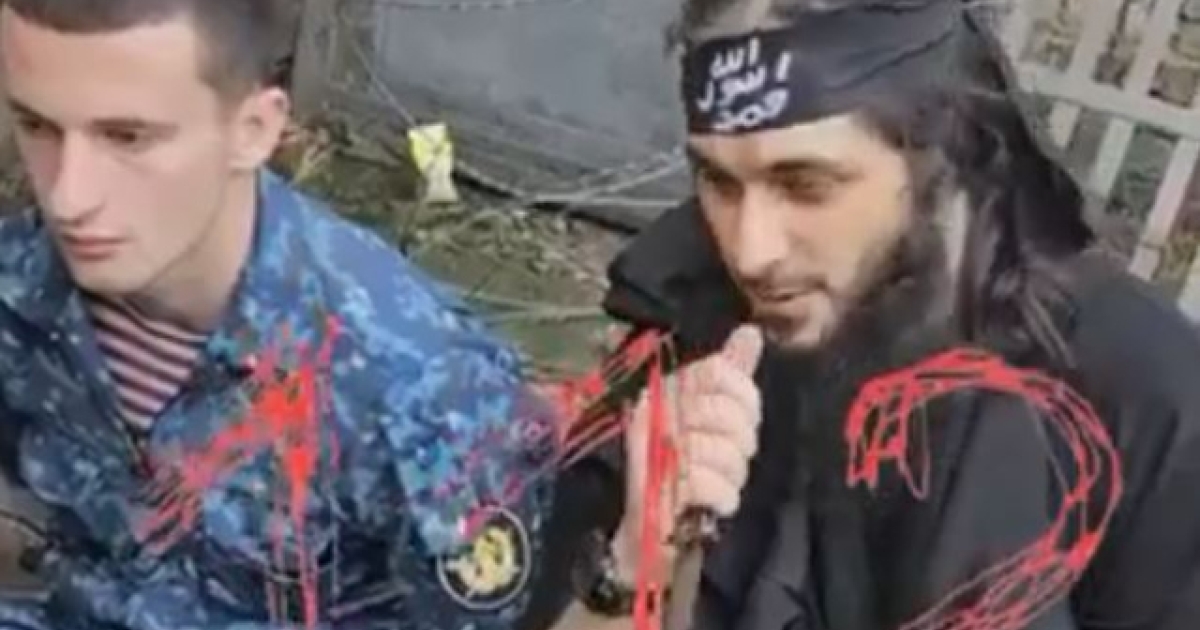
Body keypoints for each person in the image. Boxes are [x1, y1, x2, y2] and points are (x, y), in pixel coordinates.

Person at [545, 0, 1200, 629]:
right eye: (719, 182)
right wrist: (633, 565)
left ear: (938, 152)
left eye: (806, 186)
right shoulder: (691, 327)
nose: (751, 251)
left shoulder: (1144, 394)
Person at [0, 1, 569, 629]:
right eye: (36, 125)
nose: (69, 196)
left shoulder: (420, 387)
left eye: (127, 137)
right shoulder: (20, 281)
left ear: (254, 131)